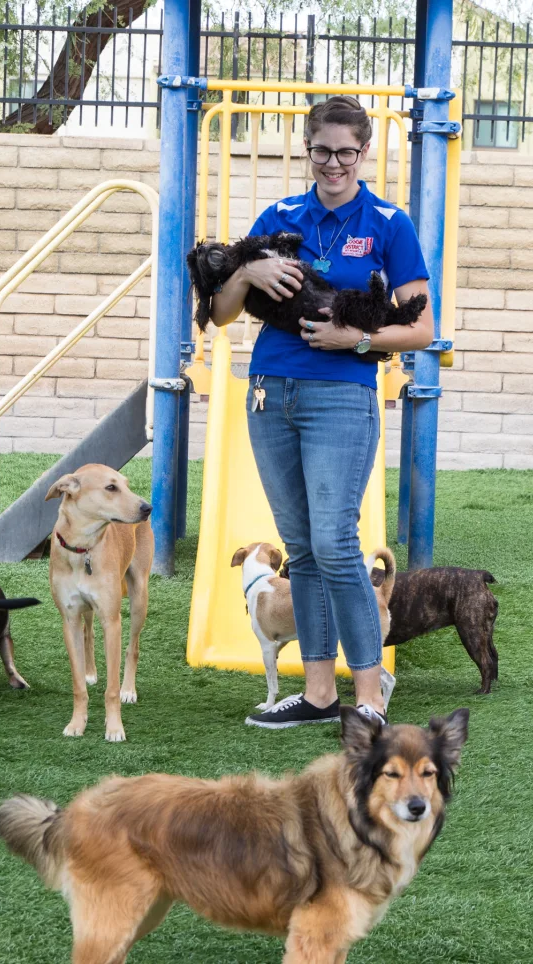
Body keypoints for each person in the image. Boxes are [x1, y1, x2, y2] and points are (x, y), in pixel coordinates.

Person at [206, 96, 436, 729]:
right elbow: (224, 313)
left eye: (346, 152)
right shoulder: (280, 215)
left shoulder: (389, 223)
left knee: (336, 545)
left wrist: (354, 340)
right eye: (321, 151)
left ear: (363, 153)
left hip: (342, 396)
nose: (333, 163)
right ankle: (317, 695)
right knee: (302, 549)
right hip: (268, 392)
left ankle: (367, 698)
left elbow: (421, 331)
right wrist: (247, 269)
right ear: (306, 149)